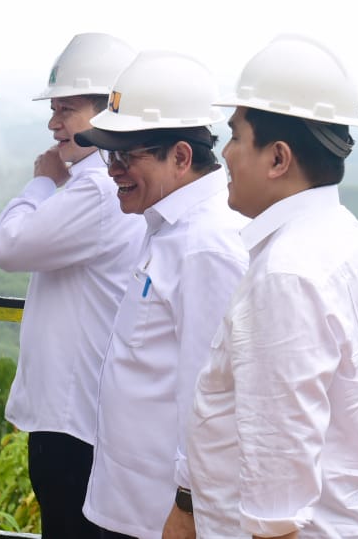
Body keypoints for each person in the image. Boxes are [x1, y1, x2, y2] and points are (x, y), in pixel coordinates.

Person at [182, 34, 358, 539]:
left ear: (278, 158)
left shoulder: (287, 274)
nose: (225, 155)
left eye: (237, 137)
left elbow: (277, 502)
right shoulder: (348, 238)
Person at [72, 50, 249, 539]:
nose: (113, 170)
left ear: (181, 156)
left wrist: (187, 509)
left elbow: (213, 399)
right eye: (110, 155)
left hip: (160, 519)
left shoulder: (206, 247)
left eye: (126, 155)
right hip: (129, 505)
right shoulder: (166, 226)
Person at [0, 33, 145, 539]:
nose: (54, 123)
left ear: (108, 114)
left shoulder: (96, 189)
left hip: (74, 421)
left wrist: (40, 180)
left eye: (68, 110)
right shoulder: (105, 183)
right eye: (54, 109)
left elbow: (10, 246)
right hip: (85, 415)